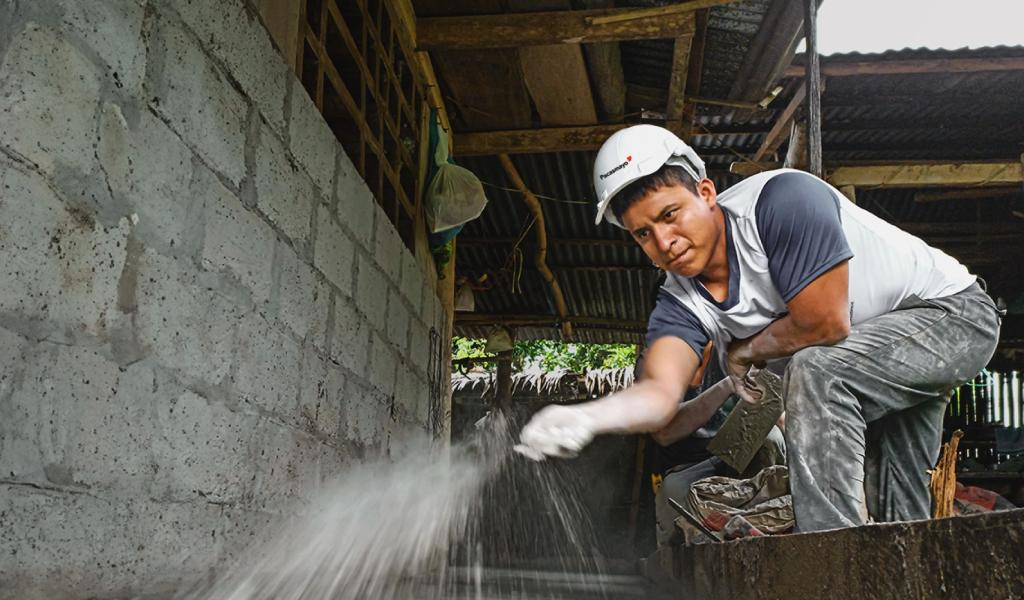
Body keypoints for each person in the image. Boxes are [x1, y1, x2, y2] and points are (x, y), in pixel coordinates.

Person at [515, 124, 1002, 532]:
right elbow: (661, 399)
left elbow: (826, 322)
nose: (664, 241)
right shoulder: (679, 298)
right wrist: (588, 417)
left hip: (952, 317)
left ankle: (831, 560)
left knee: (814, 370)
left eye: (670, 215)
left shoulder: (781, 202)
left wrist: (744, 352)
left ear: (705, 193)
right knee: (901, 514)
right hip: (875, 360)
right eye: (644, 233)